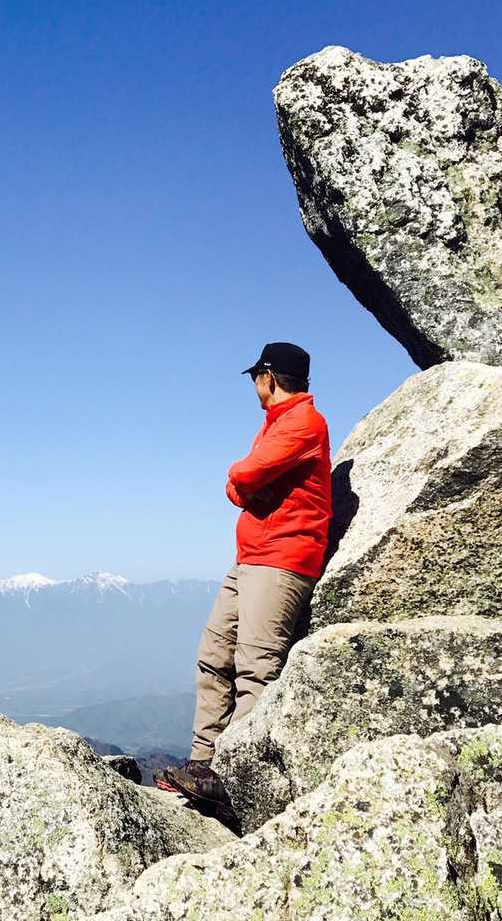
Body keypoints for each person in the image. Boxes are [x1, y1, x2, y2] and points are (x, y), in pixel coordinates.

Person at [154, 341, 332, 814]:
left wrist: (238, 476)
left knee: (256, 667)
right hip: (252, 557)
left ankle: (236, 778)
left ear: (268, 377)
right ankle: (202, 764)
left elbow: (245, 476)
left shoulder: (304, 422)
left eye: (256, 377)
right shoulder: (278, 423)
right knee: (214, 655)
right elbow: (244, 487)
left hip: (281, 560)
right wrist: (244, 484)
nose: (254, 385)